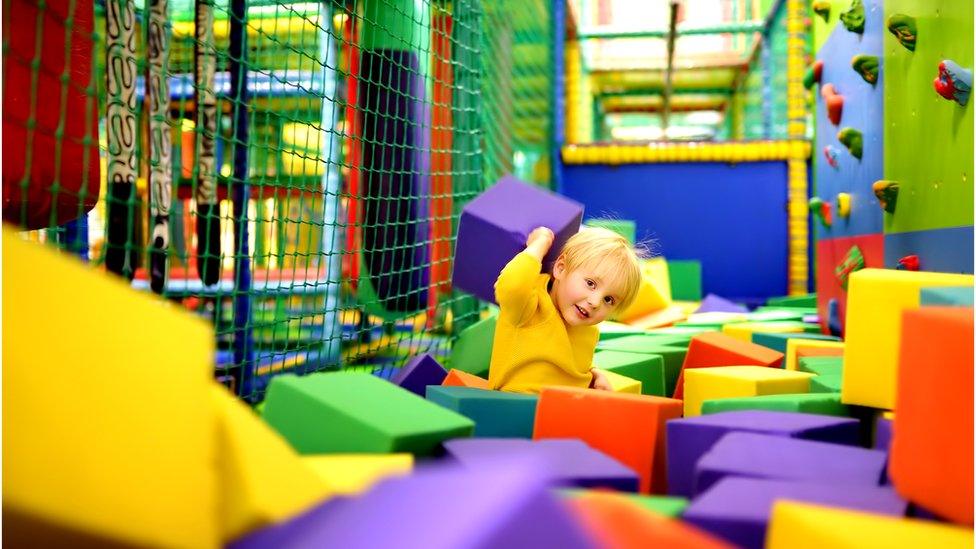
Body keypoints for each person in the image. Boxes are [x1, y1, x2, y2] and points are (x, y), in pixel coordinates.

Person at [488, 225, 643, 394]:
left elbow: (569, 365)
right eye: (590, 283)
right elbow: (512, 285)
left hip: (566, 408)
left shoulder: (589, 330)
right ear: (561, 268)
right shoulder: (530, 306)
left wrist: (592, 375)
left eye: (609, 299)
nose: (595, 302)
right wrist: (540, 243)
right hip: (520, 404)